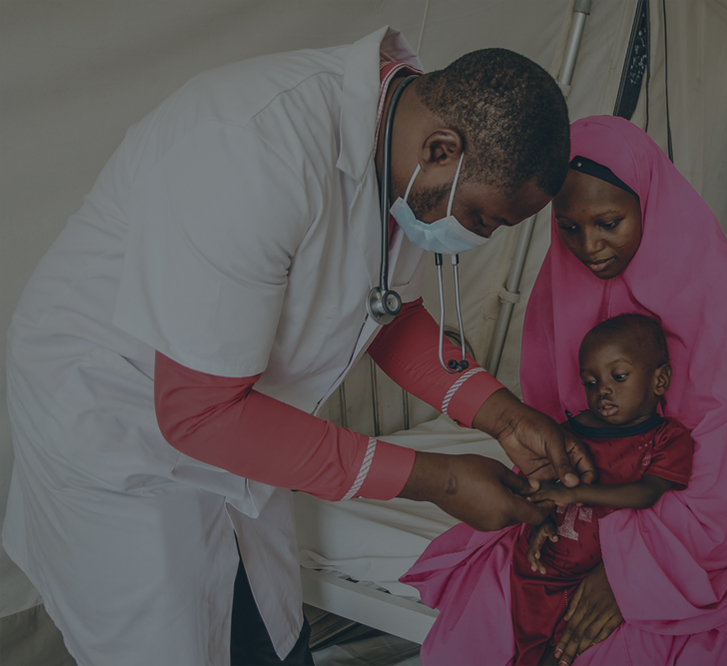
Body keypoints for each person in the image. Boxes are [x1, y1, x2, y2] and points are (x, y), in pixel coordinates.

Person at [3, 27, 595, 665]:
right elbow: (196, 413)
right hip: (116, 422)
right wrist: (443, 480)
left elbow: (389, 316)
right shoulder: (250, 149)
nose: (477, 237)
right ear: (442, 149)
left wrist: (504, 417)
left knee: (269, 634)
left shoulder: (400, 163)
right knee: (169, 641)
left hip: (231, 423)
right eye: (481, 219)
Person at [402, 115, 727, 666]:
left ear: (647, 202)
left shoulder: (711, 286)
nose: (590, 246)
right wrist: (549, 510)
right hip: (591, 499)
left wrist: (632, 565)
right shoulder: (561, 280)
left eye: (609, 223)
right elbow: (550, 421)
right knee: (489, 592)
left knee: (624, 639)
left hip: (701, 513)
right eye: (569, 227)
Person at [509, 313, 694, 664]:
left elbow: (647, 492)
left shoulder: (667, 438)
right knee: (525, 644)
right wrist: (540, 520)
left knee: (571, 647)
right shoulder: (572, 432)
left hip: (601, 577)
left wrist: (574, 494)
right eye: (590, 382)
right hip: (547, 571)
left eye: (618, 376)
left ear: (660, 379)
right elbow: (547, 486)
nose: (602, 390)